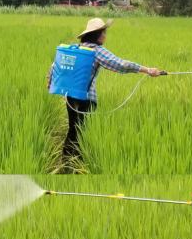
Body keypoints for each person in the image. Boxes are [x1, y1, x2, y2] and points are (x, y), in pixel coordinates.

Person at [48, 18, 162, 162]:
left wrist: (51, 83)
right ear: (97, 35)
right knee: (83, 131)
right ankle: (79, 161)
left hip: (70, 96)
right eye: (104, 33)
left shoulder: (77, 49)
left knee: (73, 128)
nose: (105, 36)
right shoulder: (96, 50)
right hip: (87, 98)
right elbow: (119, 64)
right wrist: (147, 70)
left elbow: (55, 67)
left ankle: (66, 159)